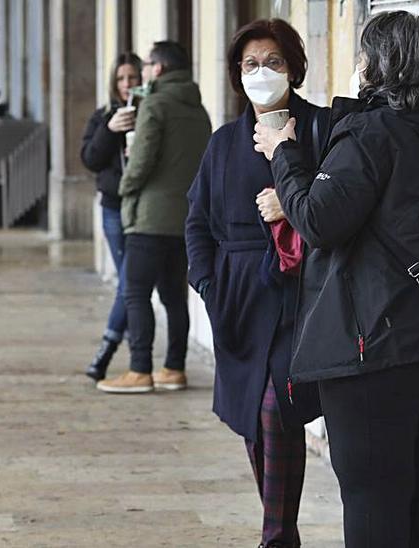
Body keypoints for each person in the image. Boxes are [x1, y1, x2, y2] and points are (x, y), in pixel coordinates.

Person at [253, 11, 419, 548]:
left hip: (379, 349)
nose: (359, 67)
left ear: (380, 66)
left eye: (364, 56)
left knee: (374, 496)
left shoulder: (373, 131)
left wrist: (283, 153)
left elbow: (319, 219)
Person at [186, 19, 324, 547]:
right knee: (253, 419)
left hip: (299, 297)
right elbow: (196, 219)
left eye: (273, 62)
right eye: (250, 64)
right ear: (236, 74)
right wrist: (207, 282)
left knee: (277, 411)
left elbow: (338, 208)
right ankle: (279, 530)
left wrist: (289, 204)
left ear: (295, 67)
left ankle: (275, 536)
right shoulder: (223, 143)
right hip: (238, 299)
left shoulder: (321, 130)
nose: (261, 72)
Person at [96, 41, 211, 394]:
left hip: (149, 219)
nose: (142, 73)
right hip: (184, 218)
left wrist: (126, 187)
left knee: (135, 292)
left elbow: (141, 161)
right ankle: (174, 367)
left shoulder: (156, 106)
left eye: (146, 66)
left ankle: (139, 369)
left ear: (158, 69)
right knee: (174, 297)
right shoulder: (198, 110)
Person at [80, 52, 142, 381]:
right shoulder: (102, 116)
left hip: (144, 208)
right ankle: (126, 342)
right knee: (128, 281)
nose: (127, 84)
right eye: (121, 79)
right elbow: (89, 158)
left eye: (132, 78)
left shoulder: (150, 112)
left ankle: (107, 349)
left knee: (130, 282)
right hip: (113, 208)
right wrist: (109, 129)